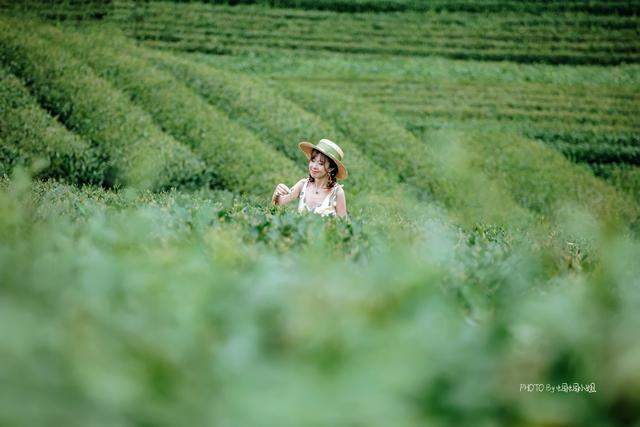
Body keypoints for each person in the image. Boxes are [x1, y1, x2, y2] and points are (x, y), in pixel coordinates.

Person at [271, 139, 348, 219]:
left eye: (320, 163)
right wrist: (277, 193)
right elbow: (276, 205)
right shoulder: (302, 185)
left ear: (331, 168)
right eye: (313, 160)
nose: (314, 166)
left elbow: (343, 225)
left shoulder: (337, 192)